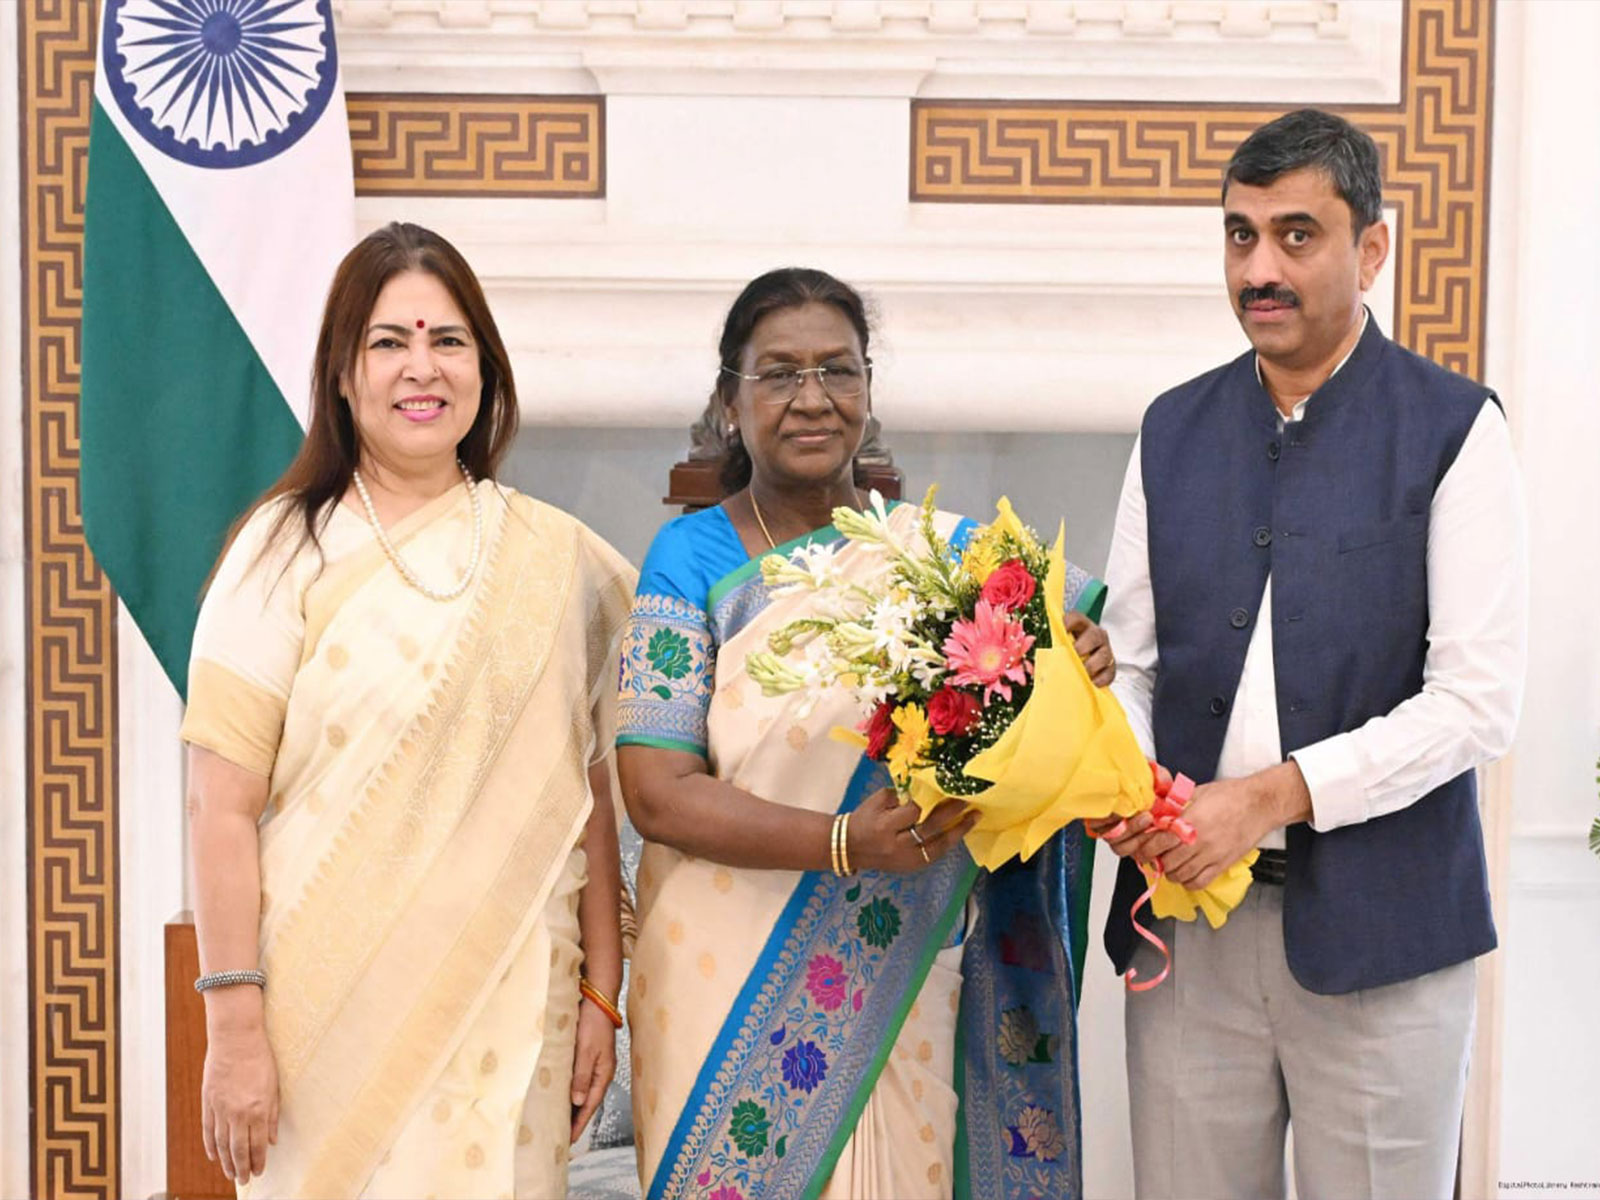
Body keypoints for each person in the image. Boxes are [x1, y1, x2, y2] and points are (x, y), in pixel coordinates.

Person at [1091, 109, 1527, 1198]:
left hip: (1386, 937)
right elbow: (1132, 663)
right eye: (1240, 237)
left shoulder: (1455, 428)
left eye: (1296, 236)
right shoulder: (1171, 428)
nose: (1259, 269)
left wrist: (1270, 796)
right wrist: (1132, 783)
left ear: (1369, 248)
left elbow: (1476, 704)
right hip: (1188, 933)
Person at [615, 267, 1116, 1200]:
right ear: (732, 400)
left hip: (895, 970)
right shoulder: (689, 559)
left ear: (869, 389)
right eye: (779, 374)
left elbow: (1038, 691)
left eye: (837, 371)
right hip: (720, 979)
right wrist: (843, 841)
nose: (812, 399)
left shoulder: (942, 556)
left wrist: (1072, 656)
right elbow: (654, 791)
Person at [180, 222, 636, 1197]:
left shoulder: (562, 561)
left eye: (448, 340)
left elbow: (587, 792)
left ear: (485, 367)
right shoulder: (282, 550)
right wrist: (232, 1029)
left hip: (518, 1006)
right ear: (342, 374)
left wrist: (603, 992)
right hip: (322, 1017)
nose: (420, 369)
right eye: (388, 342)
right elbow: (217, 806)